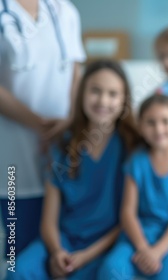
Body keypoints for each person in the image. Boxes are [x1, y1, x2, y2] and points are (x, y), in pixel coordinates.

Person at [7, 60, 140, 280]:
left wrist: (85, 256)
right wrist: (58, 251)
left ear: (124, 100)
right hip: (63, 242)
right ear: (81, 94)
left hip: (106, 245)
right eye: (95, 91)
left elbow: (127, 219)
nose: (103, 100)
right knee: (17, 270)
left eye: (113, 94)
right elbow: (49, 221)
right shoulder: (62, 146)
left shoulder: (130, 148)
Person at [0, 0, 86, 254]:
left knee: (60, 251)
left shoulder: (64, 10)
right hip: (13, 162)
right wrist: (42, 125)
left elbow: (74, 71)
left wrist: (70, 120)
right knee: (19, 248)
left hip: (60, 153)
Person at [97, 94, 168, 280]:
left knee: (167, 274)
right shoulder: (136, 161)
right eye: (151, 122)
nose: (158, 129)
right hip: (139, 235)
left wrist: (158, 251)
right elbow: (127, 213)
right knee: (110, 269)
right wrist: (143, 249)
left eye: (165, 121)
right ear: (140, 126)